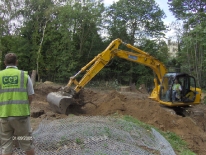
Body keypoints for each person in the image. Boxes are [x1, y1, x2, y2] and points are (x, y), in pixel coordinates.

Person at [0, 53, 35, 155]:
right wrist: (24, 107)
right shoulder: (24, 75)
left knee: (6, 145)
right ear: (16, 62)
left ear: (4, 63)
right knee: (27, 143)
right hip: (21, 117)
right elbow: (31, 95)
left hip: (4, 116)